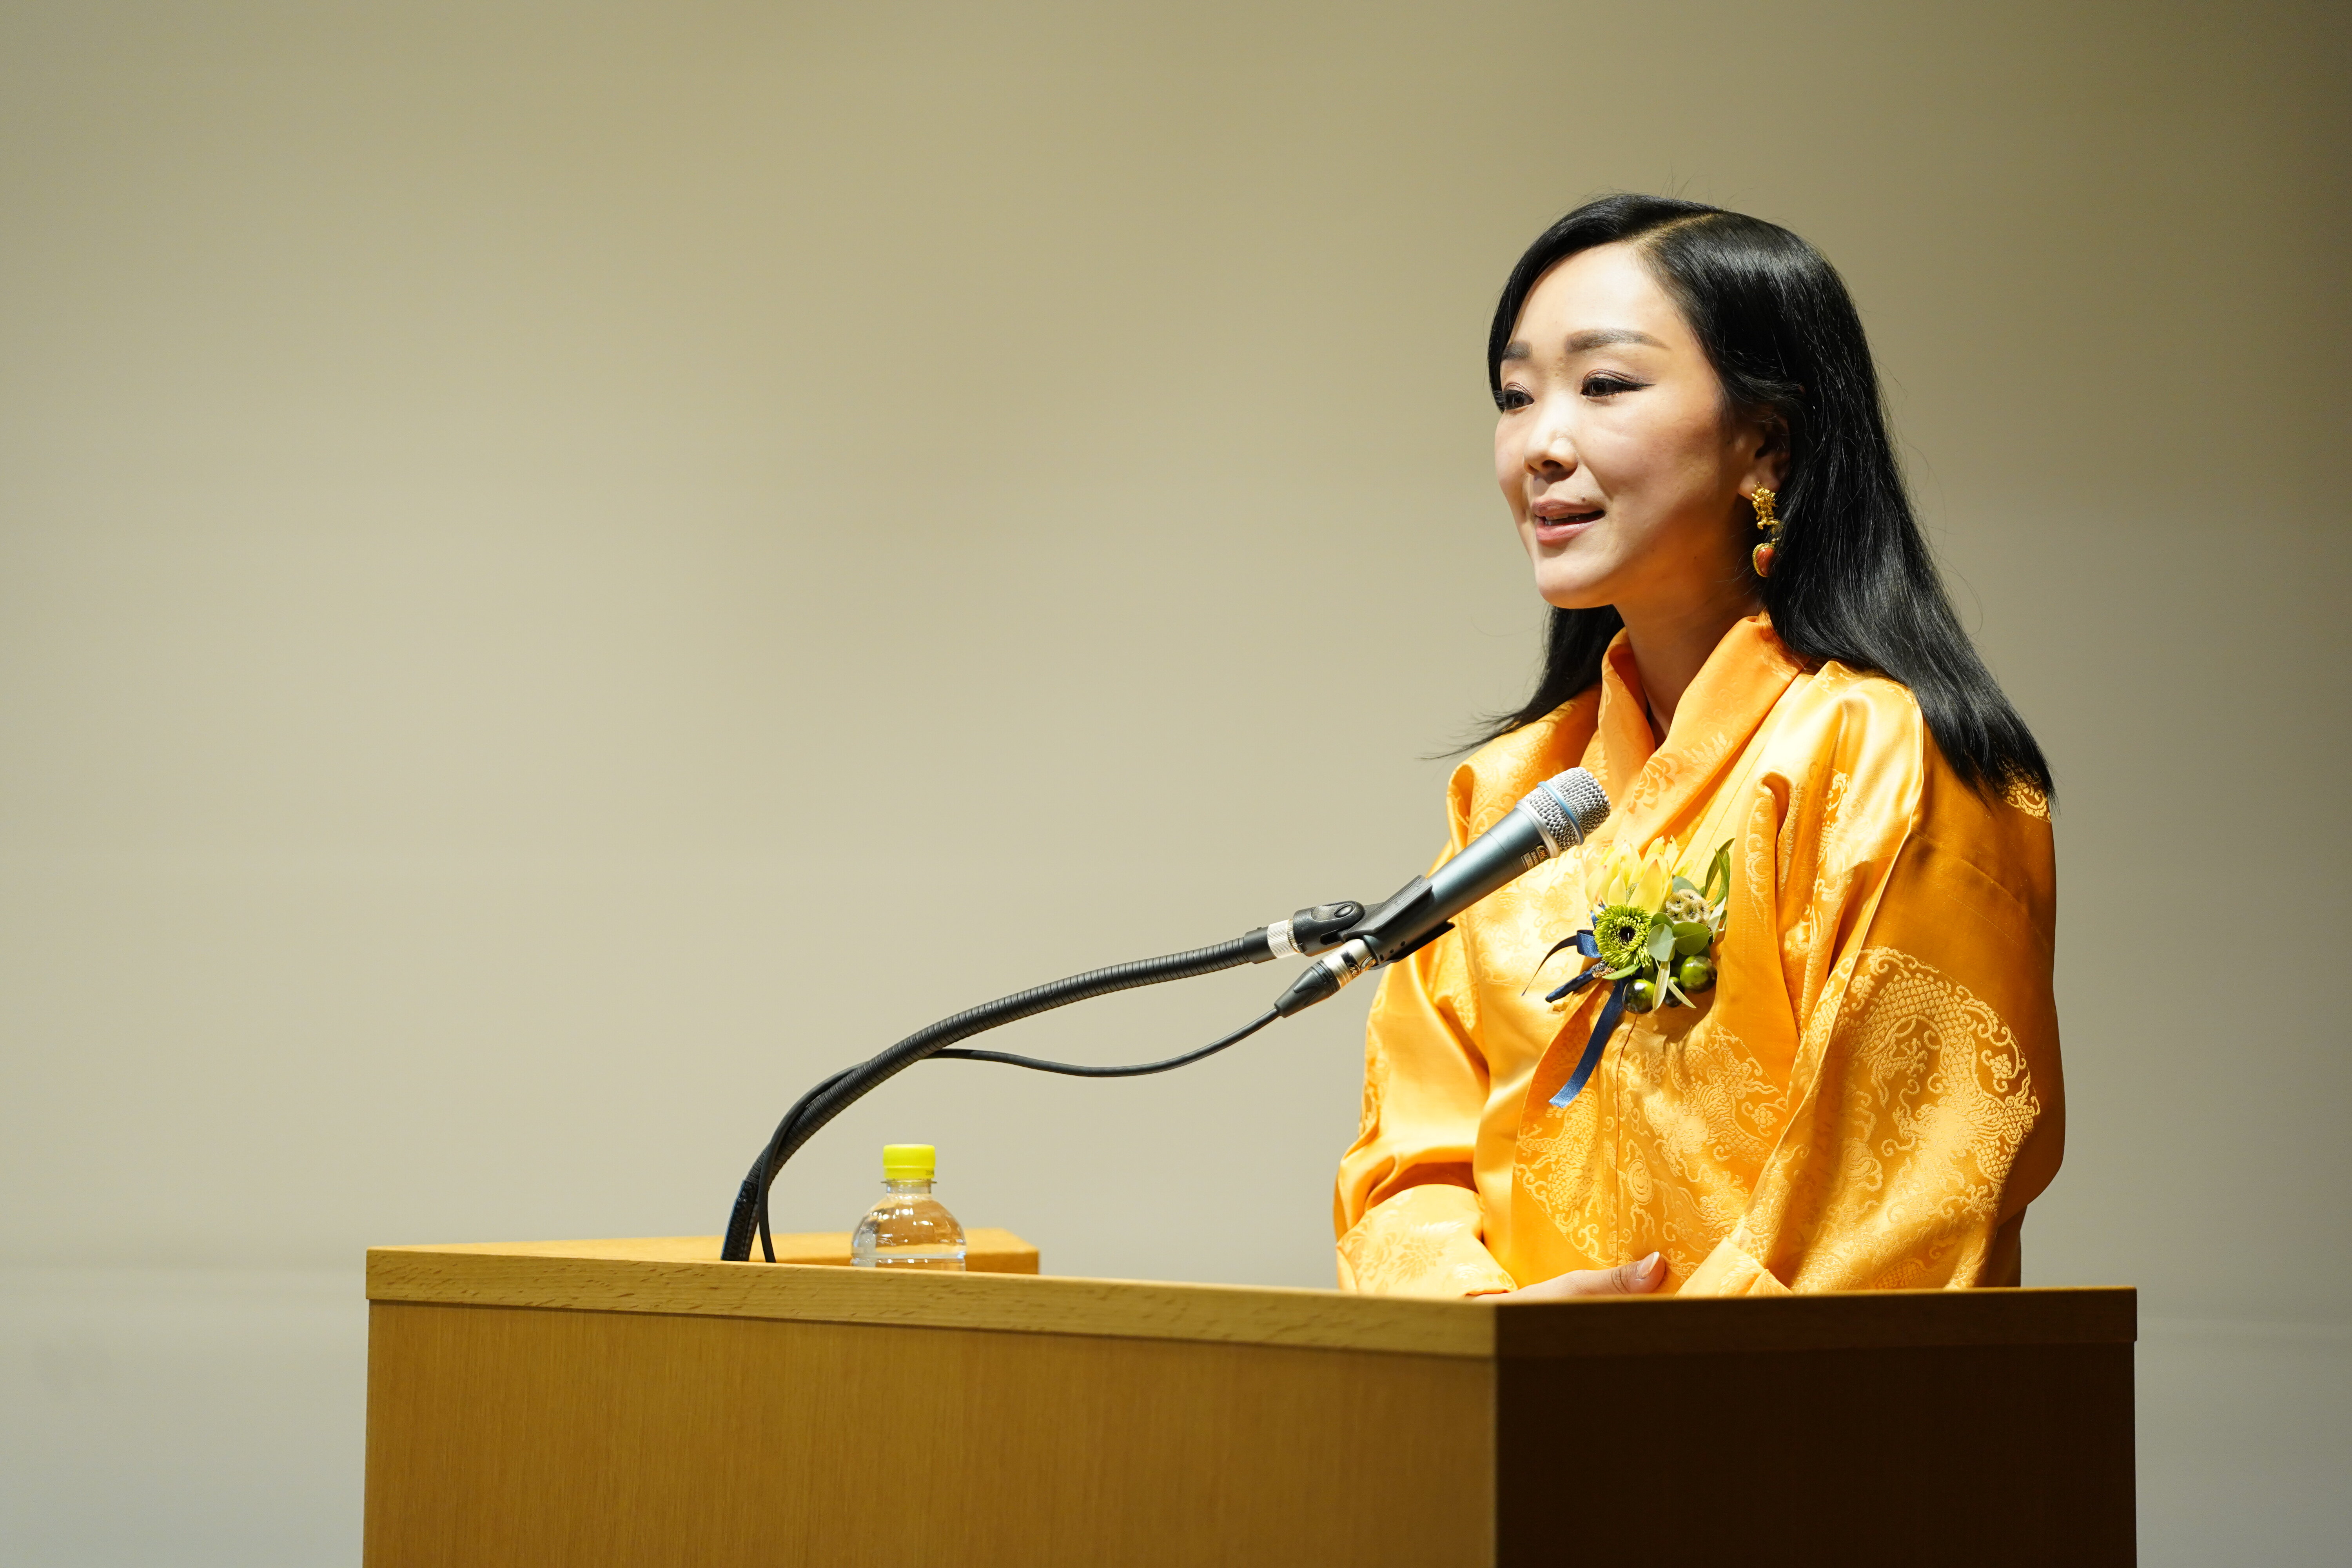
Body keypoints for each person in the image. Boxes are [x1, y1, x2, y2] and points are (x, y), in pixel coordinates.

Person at [1334, 194, 2061, 1299]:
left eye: (1605, 385)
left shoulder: (1890, 759)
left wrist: (1621, 1374)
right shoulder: (1515, 795)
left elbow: (1893, 1217)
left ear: (1763, 442)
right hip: (1515, 1425)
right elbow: (1409, 1168)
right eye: (1516, 397)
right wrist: (1489, 1328)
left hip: (1778, 1438)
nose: (1542, 443)